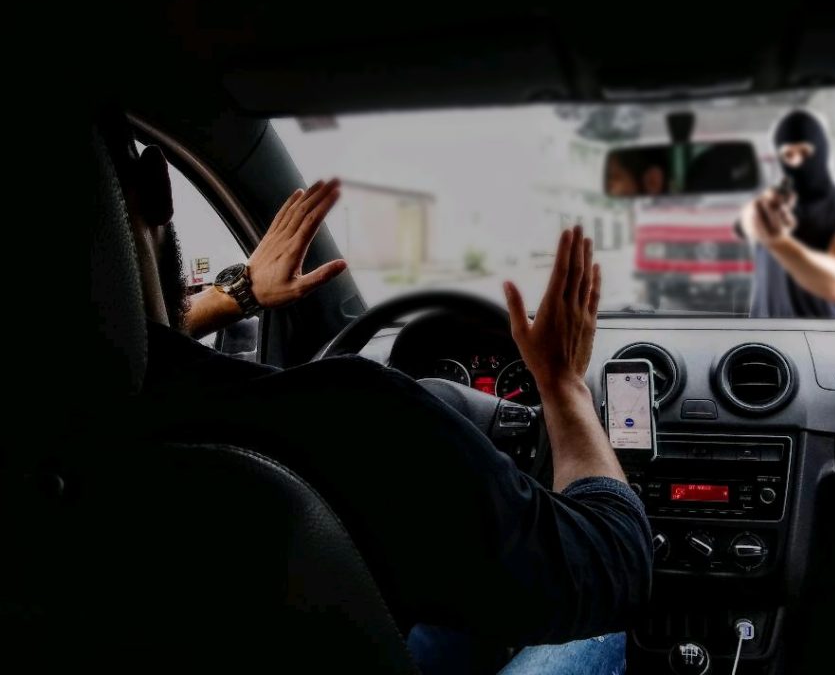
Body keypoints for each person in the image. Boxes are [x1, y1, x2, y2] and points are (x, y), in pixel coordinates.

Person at [116, 138, 650, 674]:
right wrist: (561, 384)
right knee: (597, 627)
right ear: (159, 189)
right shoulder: (361, 416)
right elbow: (617, 565)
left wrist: (235, 295)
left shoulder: (85, 430)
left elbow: (131, 347)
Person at [738, 109, 835, 318]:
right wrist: (755, 212)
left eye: (805, 152)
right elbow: (742, 224)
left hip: (824, 339)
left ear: (823, 150)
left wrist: (776, 241)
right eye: (788, 155)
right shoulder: (775, 205)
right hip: (764, 338)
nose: (797, 162)